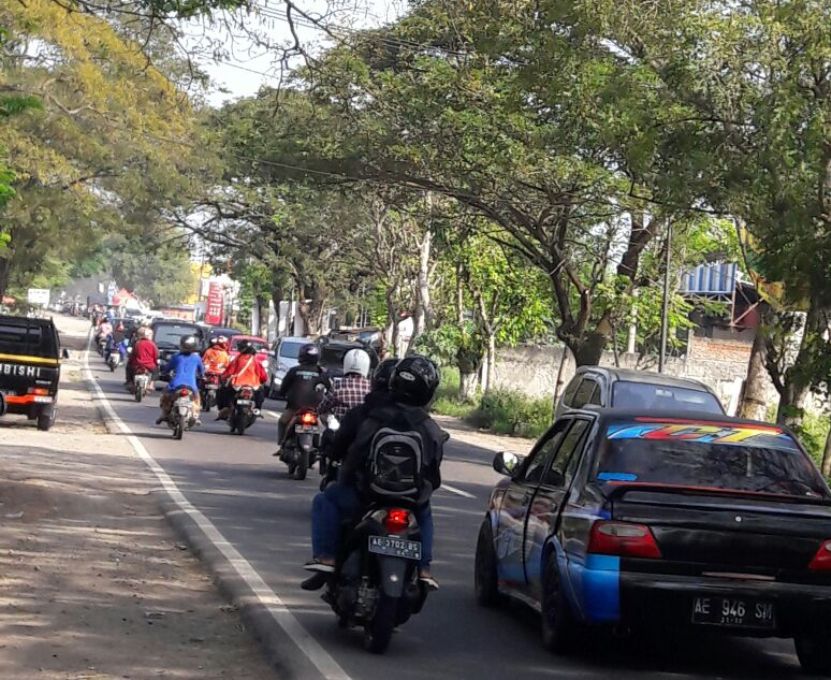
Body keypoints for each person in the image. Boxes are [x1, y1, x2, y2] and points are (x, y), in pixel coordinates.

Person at [302, 355, 445, 591]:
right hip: (410, 500)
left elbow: (350, 454)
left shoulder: (371, 416)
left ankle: (326, 557)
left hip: (365, 496)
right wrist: (421, 492)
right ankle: (424, 568)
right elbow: (434, 474)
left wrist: (346, 476)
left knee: (324, 500)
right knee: (425, 513)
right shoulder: (429, 427)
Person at [274, 344, 330, 454]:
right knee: (327, 427)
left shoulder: (294, 371)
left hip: (296, 408)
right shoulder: (322, 373)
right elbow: (330, 389)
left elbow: (283, 388)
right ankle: (323, 450)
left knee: (282, 421)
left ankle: (281, 445)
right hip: (316, 409)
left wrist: (282, 394)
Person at [156, 335, 204, 425]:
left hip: (176, 384)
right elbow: (202, 371)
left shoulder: (176, 356)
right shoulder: (197, 358)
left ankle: (163, 414)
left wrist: (164, 373)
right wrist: (202, 376)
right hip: (191, 385)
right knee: (197, 398)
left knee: (165, 396)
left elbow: (167, 368)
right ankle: (196, 415)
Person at [216, 340, 268, 418]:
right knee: (260, 394)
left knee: (224, 392)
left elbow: (229, 372)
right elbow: (263, 376)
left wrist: (222, 378)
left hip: (237, 383)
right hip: (253, 385)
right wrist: (261, 382)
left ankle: (226, 409)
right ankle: (257, 409)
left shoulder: (237, 359)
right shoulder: (255, 360)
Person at [317, 348, 372, 420]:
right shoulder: (371, 387)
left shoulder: (338, 385)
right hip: (364, 428)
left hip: (341, 427)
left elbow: (322, 407)